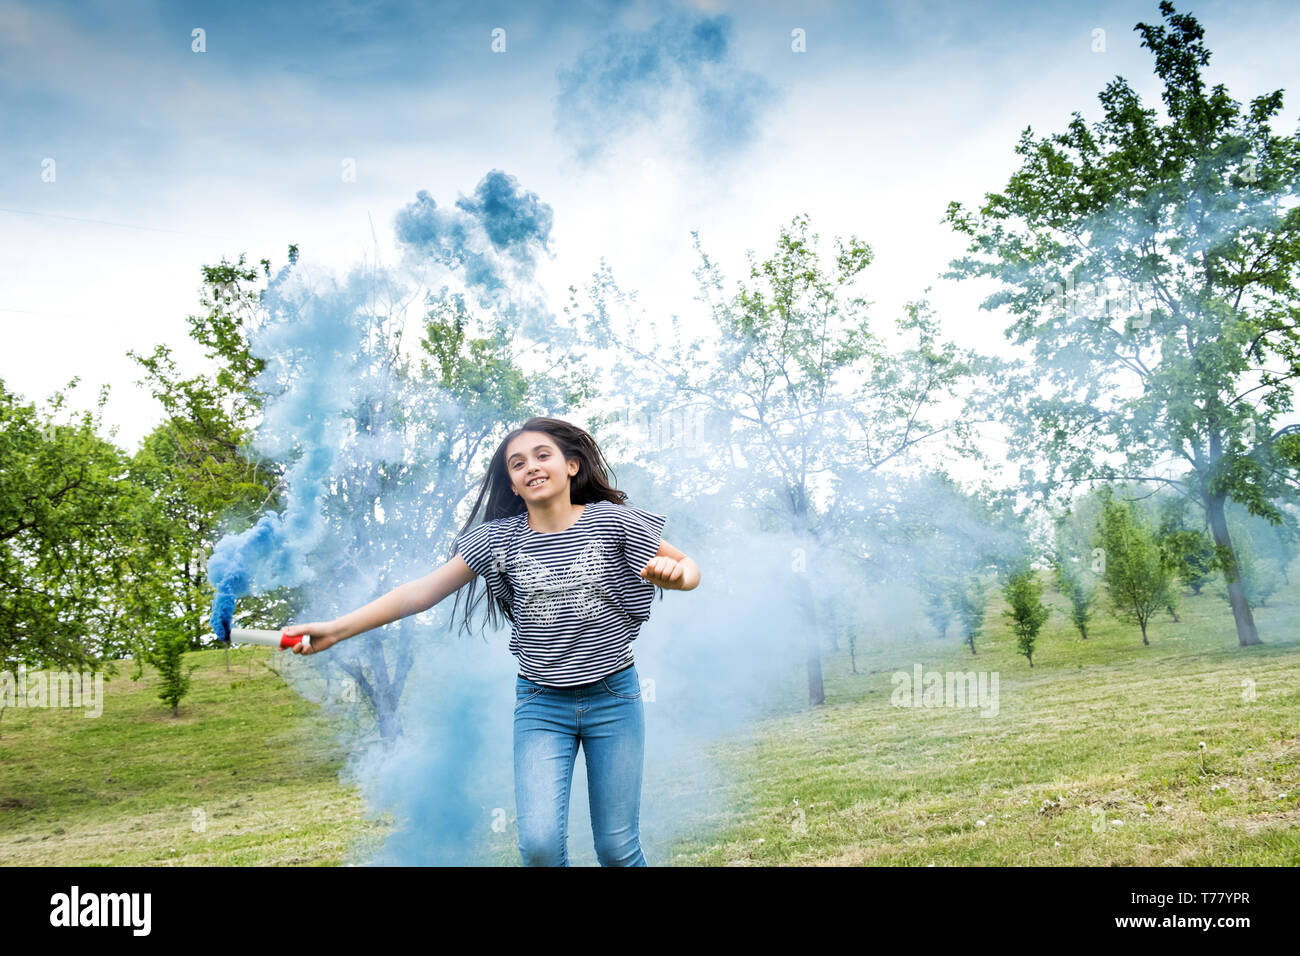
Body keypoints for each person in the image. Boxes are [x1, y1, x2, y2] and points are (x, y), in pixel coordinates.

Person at [282, 416, 700, 866]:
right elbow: (418, 592)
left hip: (614, 696)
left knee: (617, 848)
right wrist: (336, 628)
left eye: (543, 455)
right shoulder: (498, 539)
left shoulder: (614, 522)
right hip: (542, 704)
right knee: (538, 847)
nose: (531, 467)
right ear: (514, 486)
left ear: (572, 466)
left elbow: (688, 567)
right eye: (517, 464)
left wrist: (678, 577)